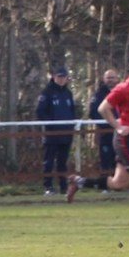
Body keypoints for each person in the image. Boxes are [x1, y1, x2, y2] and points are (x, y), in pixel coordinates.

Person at [66, 55, 129, 229]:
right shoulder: (123, 88)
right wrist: (118, 126)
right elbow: (103, 108)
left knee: (118, 183)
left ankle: (79, 182)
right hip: (125, 139)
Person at [36, 65, 77, 195]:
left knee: (62, 162)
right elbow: (40, 111)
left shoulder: (68, 93)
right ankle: (48, 186)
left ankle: (63, 186)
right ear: (54, 77)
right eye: (59, 76)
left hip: (66, 134)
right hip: (51, 134)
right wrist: (51, 125)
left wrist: (71, 126)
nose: (62, 79)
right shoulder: (47, 92)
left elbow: (72, 111)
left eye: (64, 76)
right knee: (48, 161)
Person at [89, 69, 120, 174]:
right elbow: (93, 112)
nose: (110, 80)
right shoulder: (98, 94)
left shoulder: (121, 92)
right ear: (104, 79)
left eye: (112, 78)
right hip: (105, 133)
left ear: (117, 79)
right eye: (108, 78)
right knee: (105, 161)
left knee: (119, 160)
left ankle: (118, 182)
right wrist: (107, 123)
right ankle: (105, 182)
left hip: (120, 132)